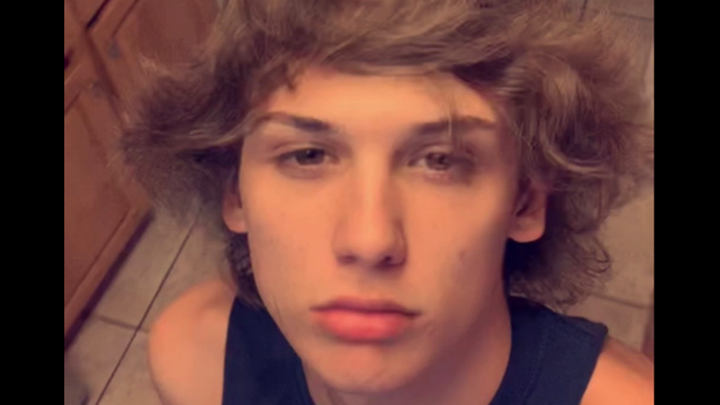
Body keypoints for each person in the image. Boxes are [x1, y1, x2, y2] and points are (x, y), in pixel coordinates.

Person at [122, 0, 654, 404]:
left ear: (525, 201)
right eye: (307, 155)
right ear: (235, 191)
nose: (369, 239)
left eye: (440, 161)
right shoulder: (197, 359)